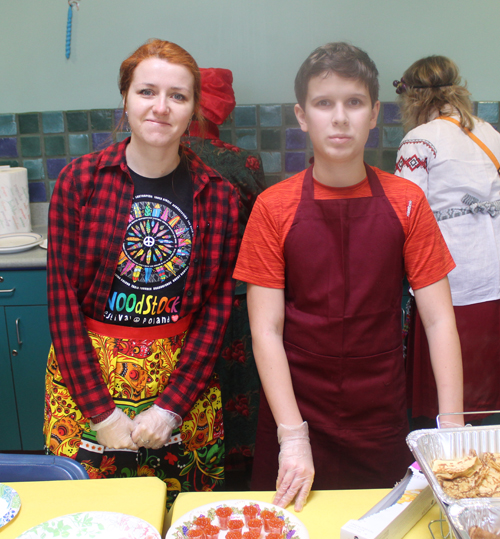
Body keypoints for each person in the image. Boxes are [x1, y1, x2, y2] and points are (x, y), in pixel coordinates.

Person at [233, 42, 464, 512]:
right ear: (302, 116)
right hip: (295, 407)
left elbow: (440, 321)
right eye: (324, 103)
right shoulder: (273, 207)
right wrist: (292, 435)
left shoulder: (407, 203)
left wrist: (453, 429)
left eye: (354, 103)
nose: (340, 118)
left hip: (379, 412)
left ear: (375, 112)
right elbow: (265, 329)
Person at [44, 38, 239, 508]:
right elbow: (61, 304)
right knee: (90, 520)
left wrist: (171, 407)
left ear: (193, 109)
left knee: (185, 518)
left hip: (182, 389)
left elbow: (217, 310)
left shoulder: (219, 196)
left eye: (178, 95)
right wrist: (101, 413)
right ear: (125, 99)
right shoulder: (80, 182)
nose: (161, 107)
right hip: (85, 383)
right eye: (147, 91)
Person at [394, 55, 500, 427]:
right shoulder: (490, 133)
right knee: (488, 386)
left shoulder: (418, 141)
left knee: (447, 388)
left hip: (448, 278)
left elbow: (407, 213)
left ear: (412, 99)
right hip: (493, 274)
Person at [182, 67, 266, 482]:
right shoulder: (242, 162)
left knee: (190, 382)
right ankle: (240, 469)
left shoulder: (163, 156)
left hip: (180, 301)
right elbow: (260, 233)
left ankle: (195, 465)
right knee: (238, 387)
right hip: (235, 299)